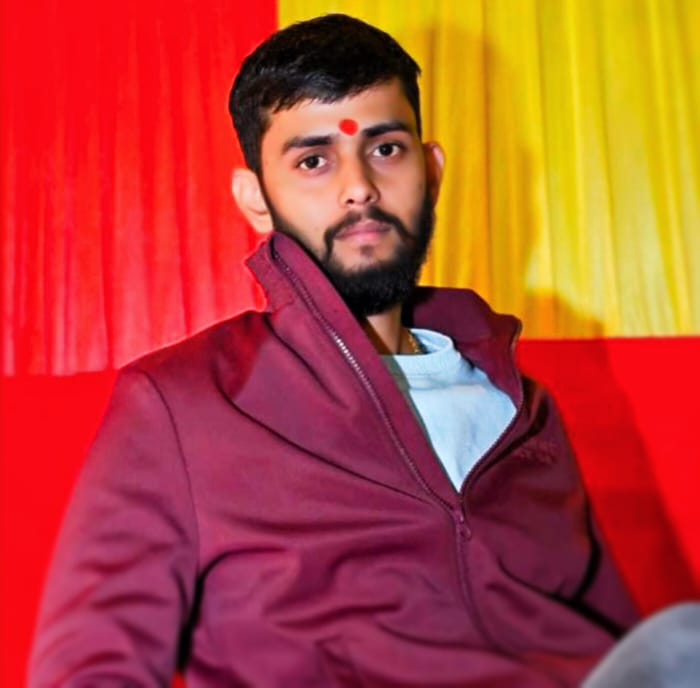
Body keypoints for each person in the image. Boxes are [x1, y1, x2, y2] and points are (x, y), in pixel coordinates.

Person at [29, 14, 641, 687]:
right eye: (314, 160)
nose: (359, 187)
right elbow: (88, 669)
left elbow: (622, 653)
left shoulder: (520, 406)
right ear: (256, 199)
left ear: (431, 170)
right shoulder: (182, 405)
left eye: (386, 149)